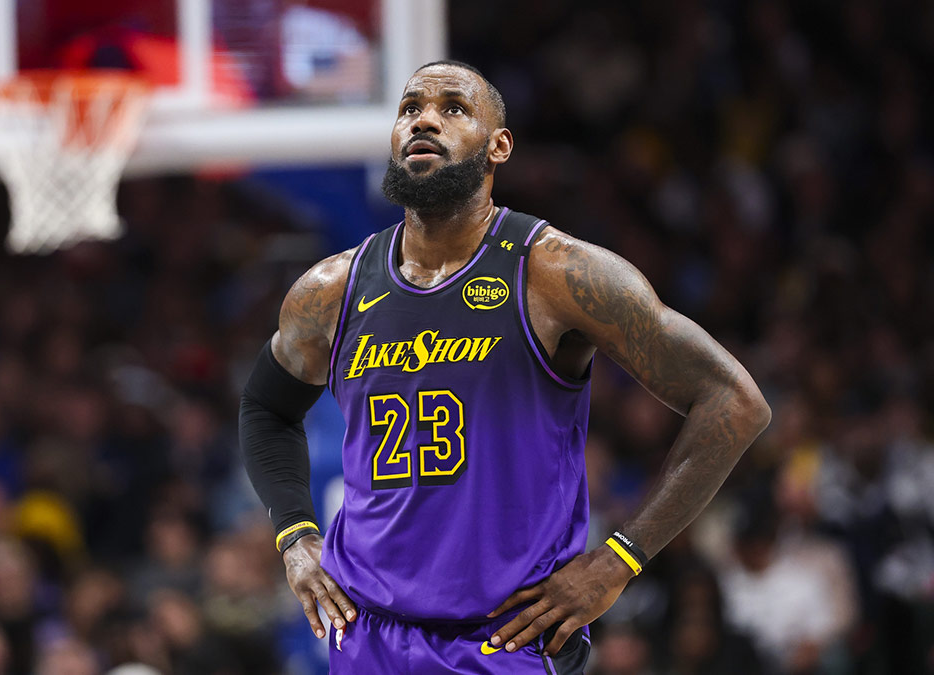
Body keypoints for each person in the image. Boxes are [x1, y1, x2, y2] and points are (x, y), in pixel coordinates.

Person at [239, 59, 771, 674]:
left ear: (499, 147)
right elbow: (265, 408)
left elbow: (734, 401)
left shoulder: (556, 274)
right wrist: (296, 537)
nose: (425, 121)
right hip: (368, 636)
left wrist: (618, 560)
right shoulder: (331, 289)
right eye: (411, 108)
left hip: (505, 641)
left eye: (453, 108)